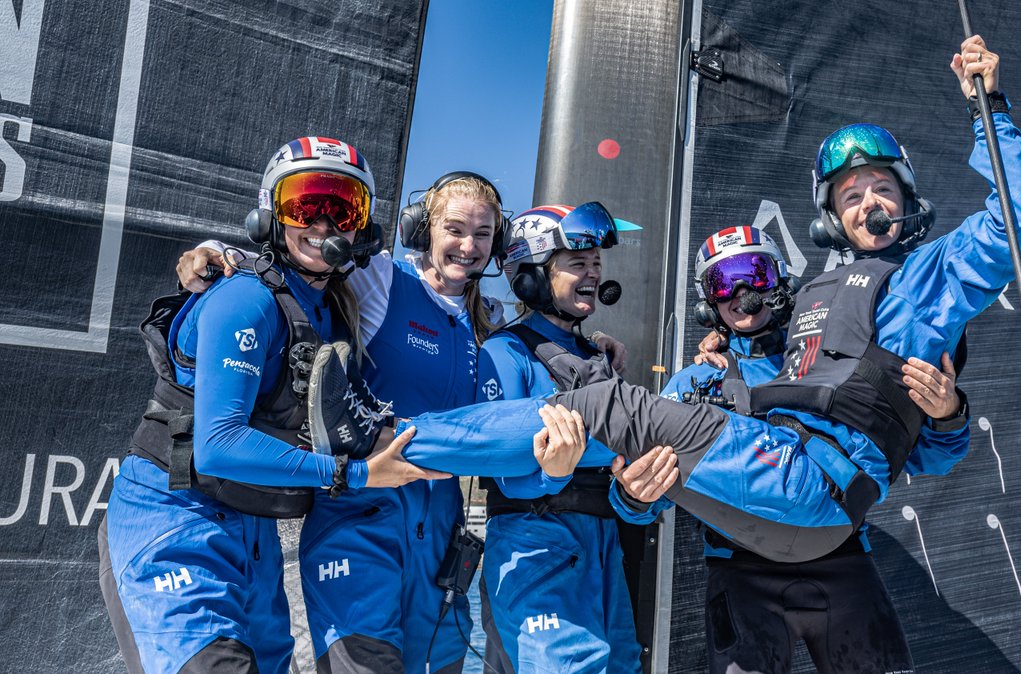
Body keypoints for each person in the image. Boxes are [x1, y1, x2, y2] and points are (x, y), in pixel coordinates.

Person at [356, 35, 1021, 564]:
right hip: (776, 518)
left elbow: (1018, 222)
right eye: (850, 195)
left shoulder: (927, 276)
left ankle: (383, 437)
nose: (868, 204)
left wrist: (990, 111)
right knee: (610, 421)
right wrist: (639, 475)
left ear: (905, 197)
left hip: (812, 495)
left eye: (880, 190)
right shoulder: (804, 313)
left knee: (602, 405)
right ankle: (389, 442)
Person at [177, 173, 627, 673]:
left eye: (483, 234)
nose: (468, 246)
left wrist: (597, 343)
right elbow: (305, 259)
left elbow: (548, 329)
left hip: (440, 546)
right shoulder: (382, 279)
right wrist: (216, 250)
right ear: (422, 230)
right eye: (455, 230)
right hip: (360, 527)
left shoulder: (493, 322)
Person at [99, 137, 425, 674]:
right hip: (175, 520)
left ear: (361, 228)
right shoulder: (245, 297)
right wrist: (357, 473)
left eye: (342, 209)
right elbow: (219, 445)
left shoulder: (330, 310)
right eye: (305, 205)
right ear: (270, 213)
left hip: (252, 535)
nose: (323, 224)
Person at [614, 227, 971, 673]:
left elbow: (931, 458)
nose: (741, 293)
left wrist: (948, 414)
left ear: (780, 279)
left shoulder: (839, 357)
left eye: (754, 273)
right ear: (707, 303)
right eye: (721, 282)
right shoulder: (694, 382)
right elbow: (642, 504)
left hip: (843, 562)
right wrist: (632, 494)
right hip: (742, 572)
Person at [473, 203, 675, 673]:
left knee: (621, 663)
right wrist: (551, 473)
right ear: (531, 276)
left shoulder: (595, 354)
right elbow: (503, 474)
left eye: (597, 264)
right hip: (535, 542)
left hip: (603, 543)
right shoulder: (506, 351)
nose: (592, 274)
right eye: (577, 264)